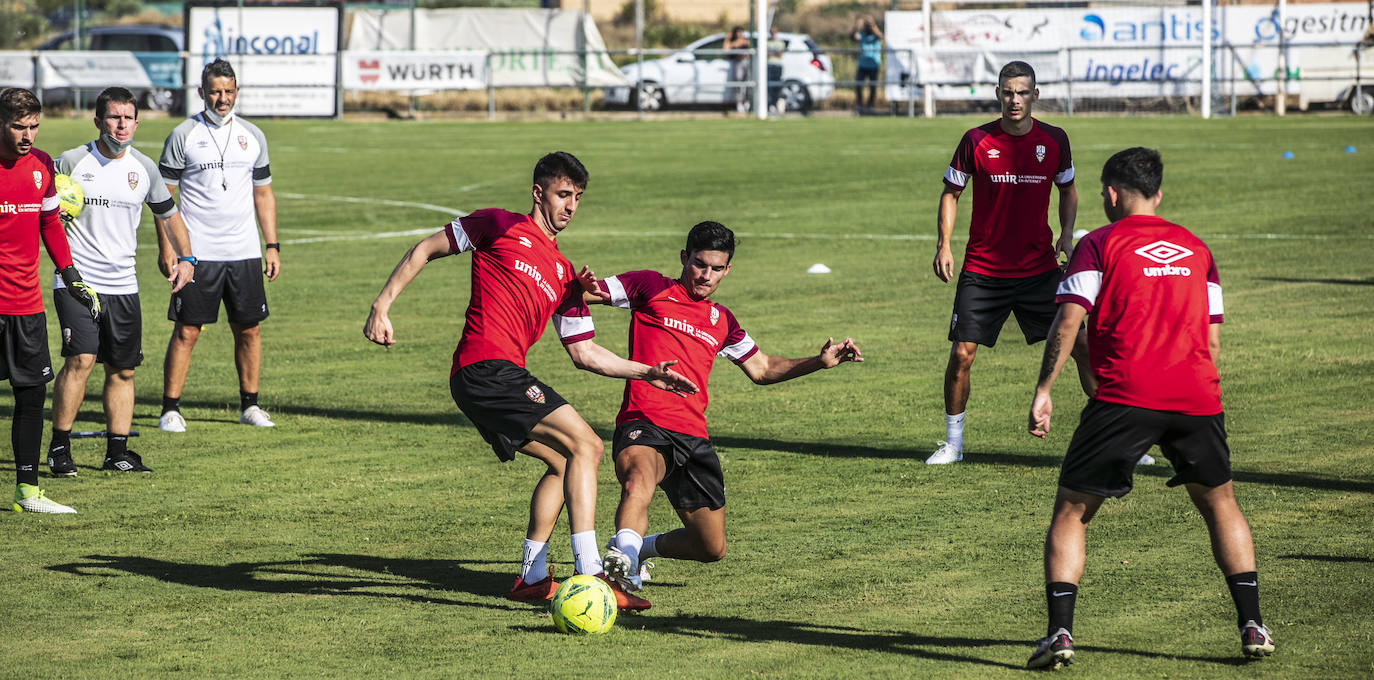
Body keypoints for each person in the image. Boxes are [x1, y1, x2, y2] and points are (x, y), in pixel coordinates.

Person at [363, 152, 697, 611]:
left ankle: (531, 578)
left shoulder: (565, 274)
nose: (571, 206)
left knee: (564, 463)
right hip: (486, 368)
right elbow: (425, 248)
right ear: (538, 193)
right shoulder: (498, 224)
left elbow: (585, 353)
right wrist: (382, 305)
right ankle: (592, 572)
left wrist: (649, 372)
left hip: (491, 378)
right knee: (589, 447)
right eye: (563, 194)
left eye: (578, 197)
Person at [1025, 147, 1272, 668]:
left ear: (1111, 194)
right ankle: (1252, 624)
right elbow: (1213, 336)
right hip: (1197, 396)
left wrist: (1045, 388)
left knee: (1072, 512)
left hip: (1125, 397)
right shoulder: (1197, 248)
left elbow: (1070, 321)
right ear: (1158, 194)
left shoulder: (1097, 245)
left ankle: (1060, 635)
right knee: (1220, 505)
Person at [582, 221, 863, 609]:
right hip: (644, 419)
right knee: (637, 481)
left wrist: (819, 361)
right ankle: (621, 572)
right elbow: (585, 294)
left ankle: (637, 549)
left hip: (694, 438)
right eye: (699, 264)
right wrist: (579, 287)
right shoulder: (649, 286)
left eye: (716, 268)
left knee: (710, 547)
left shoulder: (722, 321)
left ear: (727, 269)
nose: (706, 275)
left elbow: (762, 368)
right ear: (684, 258)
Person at [928, 60, 1098, 465]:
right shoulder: (975, 140)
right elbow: (951, 192)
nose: (1015, 100)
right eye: (1008, 92)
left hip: (1038, 268)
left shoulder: (1055, 140)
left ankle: (1128, 439)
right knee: (962, 355)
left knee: (1083, 345)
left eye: (1022, 93)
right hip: (983, 272)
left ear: (1035, 95)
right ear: (997, 94)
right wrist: (944, 244)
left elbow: (1069, 189)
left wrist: (1067, 234)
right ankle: (953, 444)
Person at [46, 87, 196, 476]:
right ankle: (59, 448)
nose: (122, 124)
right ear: (98, 121)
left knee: (123, 370)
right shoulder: (70, 163)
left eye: (128, 117)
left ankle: (118, 451)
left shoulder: (144, 168)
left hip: (124, 285)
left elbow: (170, 215)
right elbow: (43, 214)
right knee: (81, 360)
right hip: (78, 281)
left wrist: (188, 258)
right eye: (114, 117)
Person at [156, 58, 281, 433]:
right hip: (197, 254)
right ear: (202, 92)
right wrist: (168, 251)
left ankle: (250, 405)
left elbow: (264, 194)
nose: (222, 98)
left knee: (249, 329)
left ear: (237, 92)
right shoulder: (183, 134)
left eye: (228, 91)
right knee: (187, 330)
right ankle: (170, 409)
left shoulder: (253, 136)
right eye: (215, 91)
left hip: (243, 251)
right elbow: (164, 199)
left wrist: (271, 245)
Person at [0, 88, 100, 513]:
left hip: (27, 303)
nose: (28, 135)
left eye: (34, 126)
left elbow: (50, 225)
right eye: (19, 126)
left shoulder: (42, 165)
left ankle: (28, 492)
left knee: (30, 396)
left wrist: (71, 274)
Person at [852, 15, 884, 114]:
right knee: (858, 85)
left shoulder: (875, 34)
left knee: (873, 87)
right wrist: (857, 26)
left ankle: (870, 106)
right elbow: (853, 37)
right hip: (862, 65)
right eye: (866, 24)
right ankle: (860, 105)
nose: (868, 26)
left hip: (874, 65)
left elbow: (880, 36)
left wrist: (872, 26)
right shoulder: (861, 34)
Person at [724, 26, 751, 114]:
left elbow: (750, 46)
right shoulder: (733, 42)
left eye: (741, 32)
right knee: (738, 84)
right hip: (737, 63)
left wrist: (742, 43)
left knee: (748, 83)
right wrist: (728, 39)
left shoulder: (746, 40)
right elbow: (725, 49)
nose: (739, 34)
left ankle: (747, 102)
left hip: (746, 63)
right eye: (737, 32)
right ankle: (739, 104)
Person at [766, 26, 786, 113]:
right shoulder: (766, 42)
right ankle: (770, 105)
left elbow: (780, 55)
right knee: (769, 86)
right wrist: (774, 52)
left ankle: (775, 104)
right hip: (769, 65)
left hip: (777, 66)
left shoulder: (780, 43)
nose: (773, 33)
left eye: (774, 32)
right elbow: (766, 53)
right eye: (771, 32)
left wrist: (771, 52)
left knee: (777, 86)